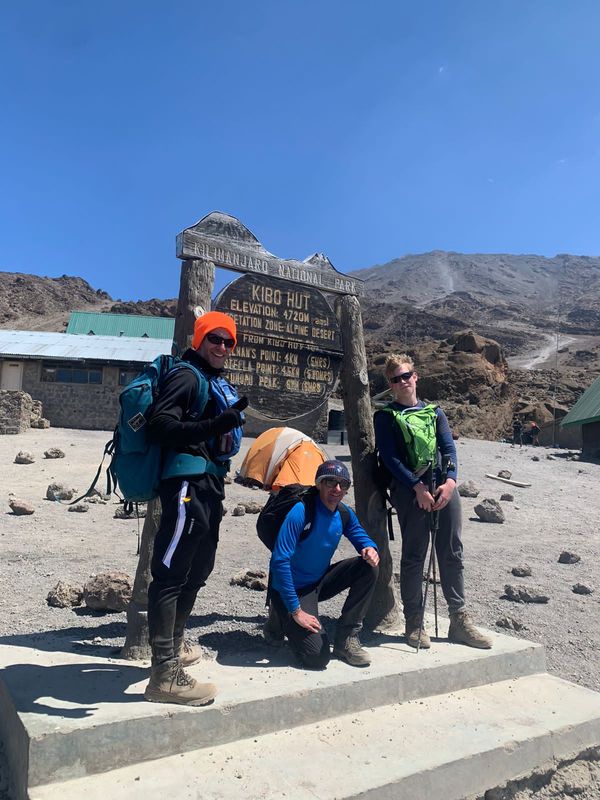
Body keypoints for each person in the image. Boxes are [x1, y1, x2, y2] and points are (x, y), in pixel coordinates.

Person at [144, 311, 247, 705]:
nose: (221, 347)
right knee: (170, 573)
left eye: (228, 342)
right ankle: (164, 674)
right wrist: (214, 426)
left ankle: (173, 643)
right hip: (186, 484)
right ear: (200, 339)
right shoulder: (187, 375)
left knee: (198, 569)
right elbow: (159, 427)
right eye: (215, 339)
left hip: (208, 485)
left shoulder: (211, 380)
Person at [374, 354, 491, 650]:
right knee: (414, 555)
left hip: (442, 487)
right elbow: (390, 457)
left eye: (406, 376)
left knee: (451, 551)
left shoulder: (435, 412)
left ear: (416, 377)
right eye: (395, 379)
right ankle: (414, 622)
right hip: (409, 490)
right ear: (390, 385)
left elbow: (448, 447)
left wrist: (451, 481)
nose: (402, 382)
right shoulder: (385, 416)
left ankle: (459, 619)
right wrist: (416, 487)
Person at [268, 460, 380, 669]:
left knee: (369, 566)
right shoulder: (301, 512)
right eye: (330, 482)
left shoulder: (344, 513)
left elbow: (361, 536)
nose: (337, 489)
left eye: (343, 484)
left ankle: (347, 639)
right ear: (318, 484)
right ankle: (280, 615)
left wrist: (369, 547)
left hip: (319, 581)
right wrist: (296, 611)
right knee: (317, 658)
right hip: (292, 588)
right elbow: (279, 561)